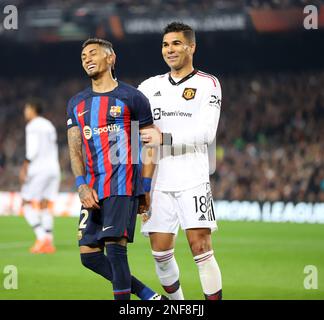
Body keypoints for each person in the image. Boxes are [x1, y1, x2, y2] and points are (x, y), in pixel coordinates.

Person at [66, 38, 167, 300]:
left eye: (93, 53)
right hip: (92, 190)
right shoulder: (76, 103)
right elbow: (74, 148)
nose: (86, 58)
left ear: (110, 58)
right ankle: (149, 297)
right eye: (83, 56)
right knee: (88, 256)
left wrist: (145, 188)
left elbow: (150, 145)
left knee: (115, 250)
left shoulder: (132, 98)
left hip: (122, 185)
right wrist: (81, 185)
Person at [138, 22, 223, 300]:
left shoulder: (207, 84)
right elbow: (134, 126)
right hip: (157, 182)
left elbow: (206, 133)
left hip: (192, 178)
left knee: (201, 248)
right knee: (160, 254)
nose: (169, 49)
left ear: (191, 46)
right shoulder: (149, 87)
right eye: (165, 44)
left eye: (176, 43)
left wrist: (165, 138)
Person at [20, 99, 60, 254]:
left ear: (32, 109)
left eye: (26, 109)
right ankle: (49, 241)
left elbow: (33, 149)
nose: (25, 112)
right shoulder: (48, 125)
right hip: (53, 169)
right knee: (44, 203)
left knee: (25, 202)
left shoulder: (33, 125)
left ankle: (41, 238)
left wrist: (25, 167)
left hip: (38, 169)